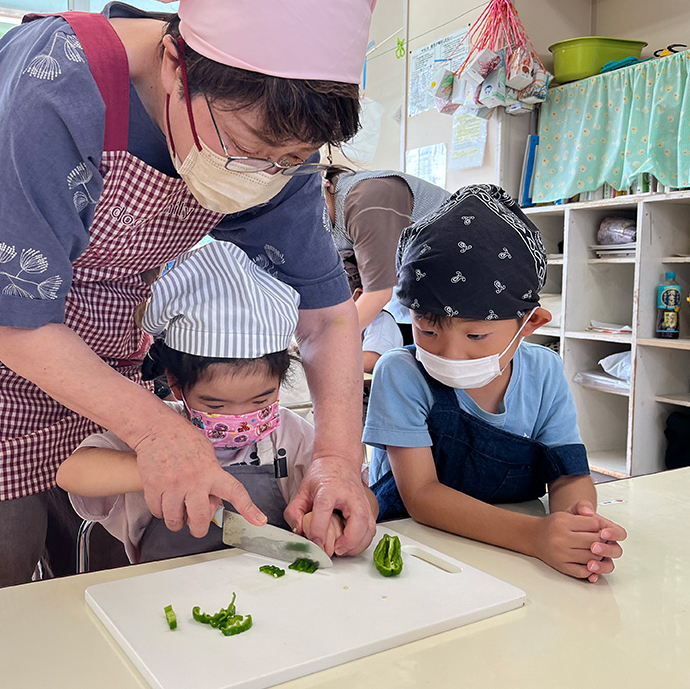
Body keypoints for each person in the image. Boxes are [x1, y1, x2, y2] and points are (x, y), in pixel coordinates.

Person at [0, 0, 379, 672]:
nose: (270, 176)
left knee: (103, 567)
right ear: (176, 61)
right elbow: (13, 318)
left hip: (93, 336)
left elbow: (323, 315)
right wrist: (159, 429)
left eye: (294, 159)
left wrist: (338, 458)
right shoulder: (54, 82)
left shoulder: (271, 143)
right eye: (251, 149)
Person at [364, 185, 627, 583]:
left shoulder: (544, 372)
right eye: (427, 330)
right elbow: (420, 496)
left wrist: (578, 528)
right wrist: (537, 536)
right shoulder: (400, 373)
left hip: (514, 565)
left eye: (475, 337)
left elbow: (568, 474)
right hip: (417, 555)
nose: (450, 353)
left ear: (529, 325)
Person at [58, 241, 378, 562]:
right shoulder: (157, 431)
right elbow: (73, 473)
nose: (240, 417)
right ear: (176, 384)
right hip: (166, 584)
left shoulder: (289, 435)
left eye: (261, 399)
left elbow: (359, 493)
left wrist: (331, 518)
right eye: (216, 405)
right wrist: (160, 469)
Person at [323, 167, 451, 342]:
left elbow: (378, 293)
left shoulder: (366, 201)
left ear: (323, 183)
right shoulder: (321, 223)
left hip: (458, 273)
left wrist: (326, 343)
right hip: (414, 291)